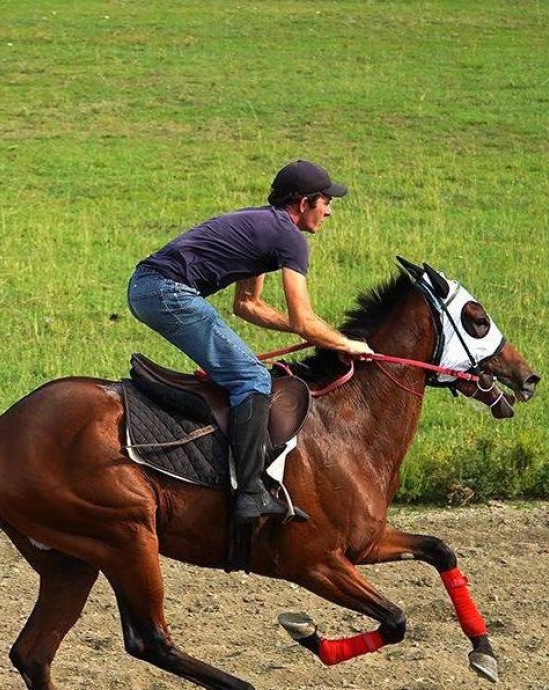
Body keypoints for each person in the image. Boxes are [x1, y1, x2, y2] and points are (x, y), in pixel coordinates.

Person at [127, 160, 374, 523]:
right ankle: (250, 493)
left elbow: (247, 305)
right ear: (304, 203)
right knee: (252, 378)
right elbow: (304, 319)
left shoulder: (266, 225)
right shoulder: (289, 237)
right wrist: (345, 343)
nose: (330, 211)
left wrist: (308, 332)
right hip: (167, 292)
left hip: (148, 288)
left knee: (246, 374)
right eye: (325, 201)